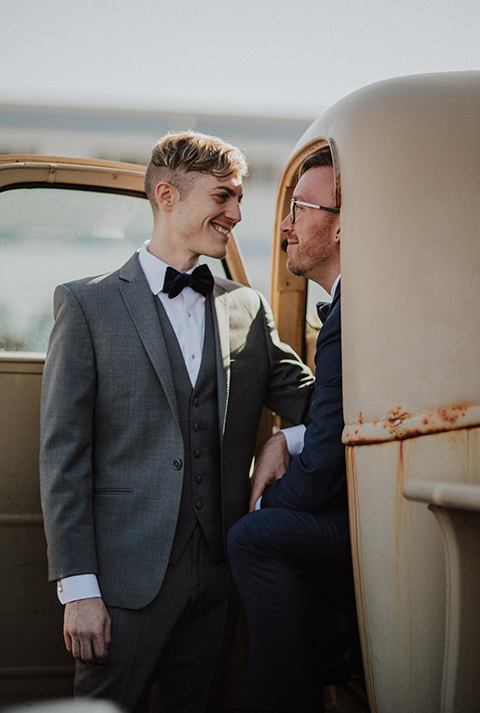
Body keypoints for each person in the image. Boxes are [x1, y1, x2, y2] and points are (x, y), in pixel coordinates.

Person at [39, 131, 315, 713]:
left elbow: (315, 403)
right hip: (120, 587)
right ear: (168, 195)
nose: (237, 213)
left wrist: (284, 440)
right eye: (223, 197)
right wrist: (79, 589)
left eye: (238, 199)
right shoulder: (86, 304)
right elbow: (63, 457)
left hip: (220, 580)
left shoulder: (247, 306)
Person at [227, 147, 357, 713]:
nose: (283, 224)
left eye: (299, 209)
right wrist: (287, 437)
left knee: (254, 537)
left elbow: (323, 472)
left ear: (340, 227)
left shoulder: (351, 317)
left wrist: (263, 504)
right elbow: (331, 423)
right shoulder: (350, 310)